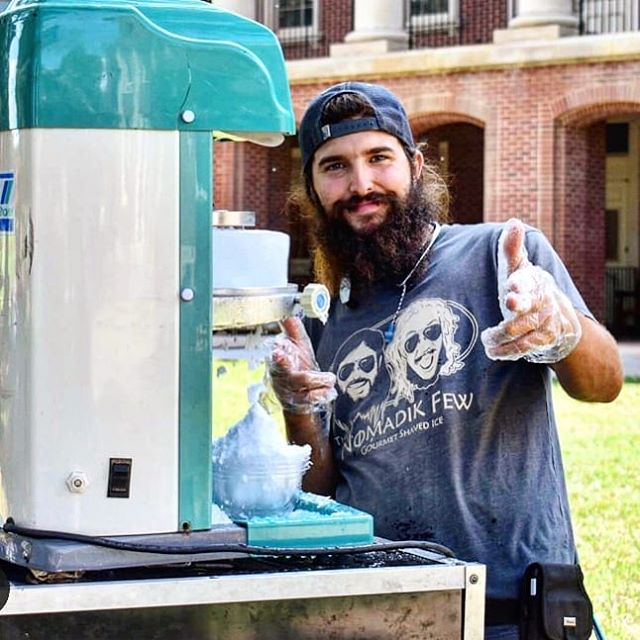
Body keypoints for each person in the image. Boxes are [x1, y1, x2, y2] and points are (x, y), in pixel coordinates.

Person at [269, 82, 623, 639]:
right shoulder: (321, 318)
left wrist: (562, 332)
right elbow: (321, 489)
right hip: (380, 614)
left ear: (413, 164)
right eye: (335, 167)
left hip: (516, 615)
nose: (361, 184)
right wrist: (298, 410)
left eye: (378, 158)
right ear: (312, 191)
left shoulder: (500, 255)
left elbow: (604, 384)